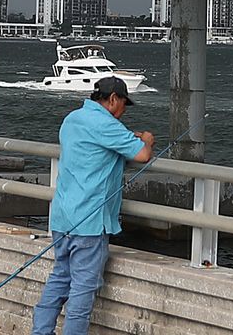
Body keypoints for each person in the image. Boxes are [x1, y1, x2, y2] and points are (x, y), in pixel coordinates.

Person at [30, 76, 155, 335]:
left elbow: (97, 143)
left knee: (59, 277)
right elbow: (142, 154)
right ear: (112, 100)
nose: (123, 111)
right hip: (89, 222)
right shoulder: (107, 125)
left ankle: (41, 331)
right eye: (123, 104)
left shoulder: (72, 119)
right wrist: (148, 139)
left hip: (63, 216)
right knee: (82, 292)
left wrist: (124, 135)